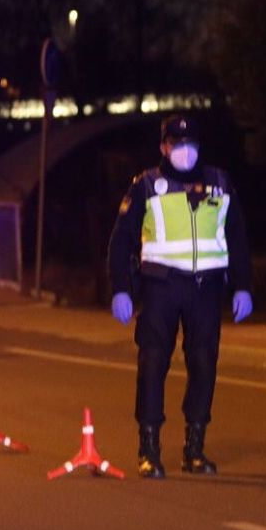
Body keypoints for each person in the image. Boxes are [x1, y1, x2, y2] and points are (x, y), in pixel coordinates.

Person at [108, 115, 253, 478]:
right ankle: (149, 449)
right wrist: (121, 289)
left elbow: (237, 237)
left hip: (206, 289)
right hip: (161, 287)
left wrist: (243, 286)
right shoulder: (146, 185)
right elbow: (121, 239)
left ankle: (195, 449)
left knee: (204, 366)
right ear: (163, 147)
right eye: (175, 143)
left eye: (189, 143)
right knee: (153, 365)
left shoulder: (219, 183)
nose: (184, 150)